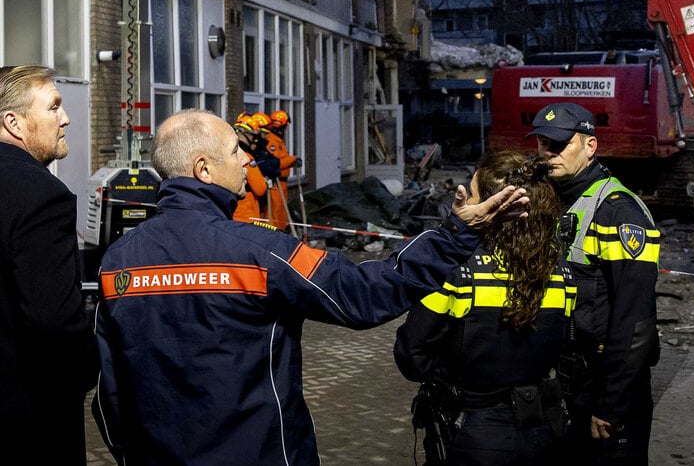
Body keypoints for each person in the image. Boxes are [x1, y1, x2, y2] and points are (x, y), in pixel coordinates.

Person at [93, 109, 529, 466]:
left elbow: (108, 391)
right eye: (234, 152)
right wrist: (453, 237)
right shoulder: (262, 251)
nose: (247, 160)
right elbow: (364, 294)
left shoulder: (117, 262)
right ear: (203, 169)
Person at [394, 149, 576, 466]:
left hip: (476, 432)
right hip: (545, 429)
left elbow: (411, 355)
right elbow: (567, 346)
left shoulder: (458, 274)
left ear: (496, 207)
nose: (468, 205)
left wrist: (451, 377)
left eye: (474, 195)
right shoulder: (562, 274)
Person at [528, 102, 661, 465]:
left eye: (559, 144)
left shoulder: (619, 211)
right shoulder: (554, 201)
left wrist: (611, 403)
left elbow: (635, 320)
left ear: (590, 146)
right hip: (563, 381)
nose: (548, 153)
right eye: (543, 144)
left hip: (606, 384)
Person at [0, 65, 97, 465]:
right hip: (28, 417)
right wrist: (91, 367)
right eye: (54, 107)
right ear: (14, 122)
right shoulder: (41, 194)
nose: (66, 118)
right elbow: (53, 320)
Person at [232, 112, 276, 225]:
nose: (254, 140)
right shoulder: (246, 157)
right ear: (245, 134)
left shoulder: (227, 154)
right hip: (246, 214)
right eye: (252, 136)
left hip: (231, 212)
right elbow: (260, 188)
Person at [262, 109, 297, 232]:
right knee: (275, 212)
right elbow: (276, 162)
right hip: (276, 183)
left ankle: (281, 232)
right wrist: (292, 159)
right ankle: (276, 233)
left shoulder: (278, 141)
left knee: (281, 211)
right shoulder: (272, 141)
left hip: (282, 183)